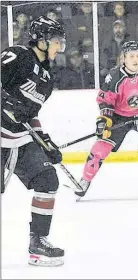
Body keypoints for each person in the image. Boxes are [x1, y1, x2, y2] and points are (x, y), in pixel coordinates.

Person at [1, 16, 67, 266]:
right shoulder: (17, 55)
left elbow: (29, 114)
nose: (59, 46)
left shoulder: (48, 78)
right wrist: (4, 102)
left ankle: (37, 243)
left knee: (48, 180)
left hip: (18, 141)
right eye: (55, 41)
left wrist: (44, 140)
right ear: (41, 41)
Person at [75, 41, 138, 200]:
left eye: (137, 56)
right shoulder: (114, 76)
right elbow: (105, 100)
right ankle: (84, 180)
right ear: (124, 59)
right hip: (119, 117)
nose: (135, 59)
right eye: (131, 56)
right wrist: (104, 121)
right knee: (100, 149)